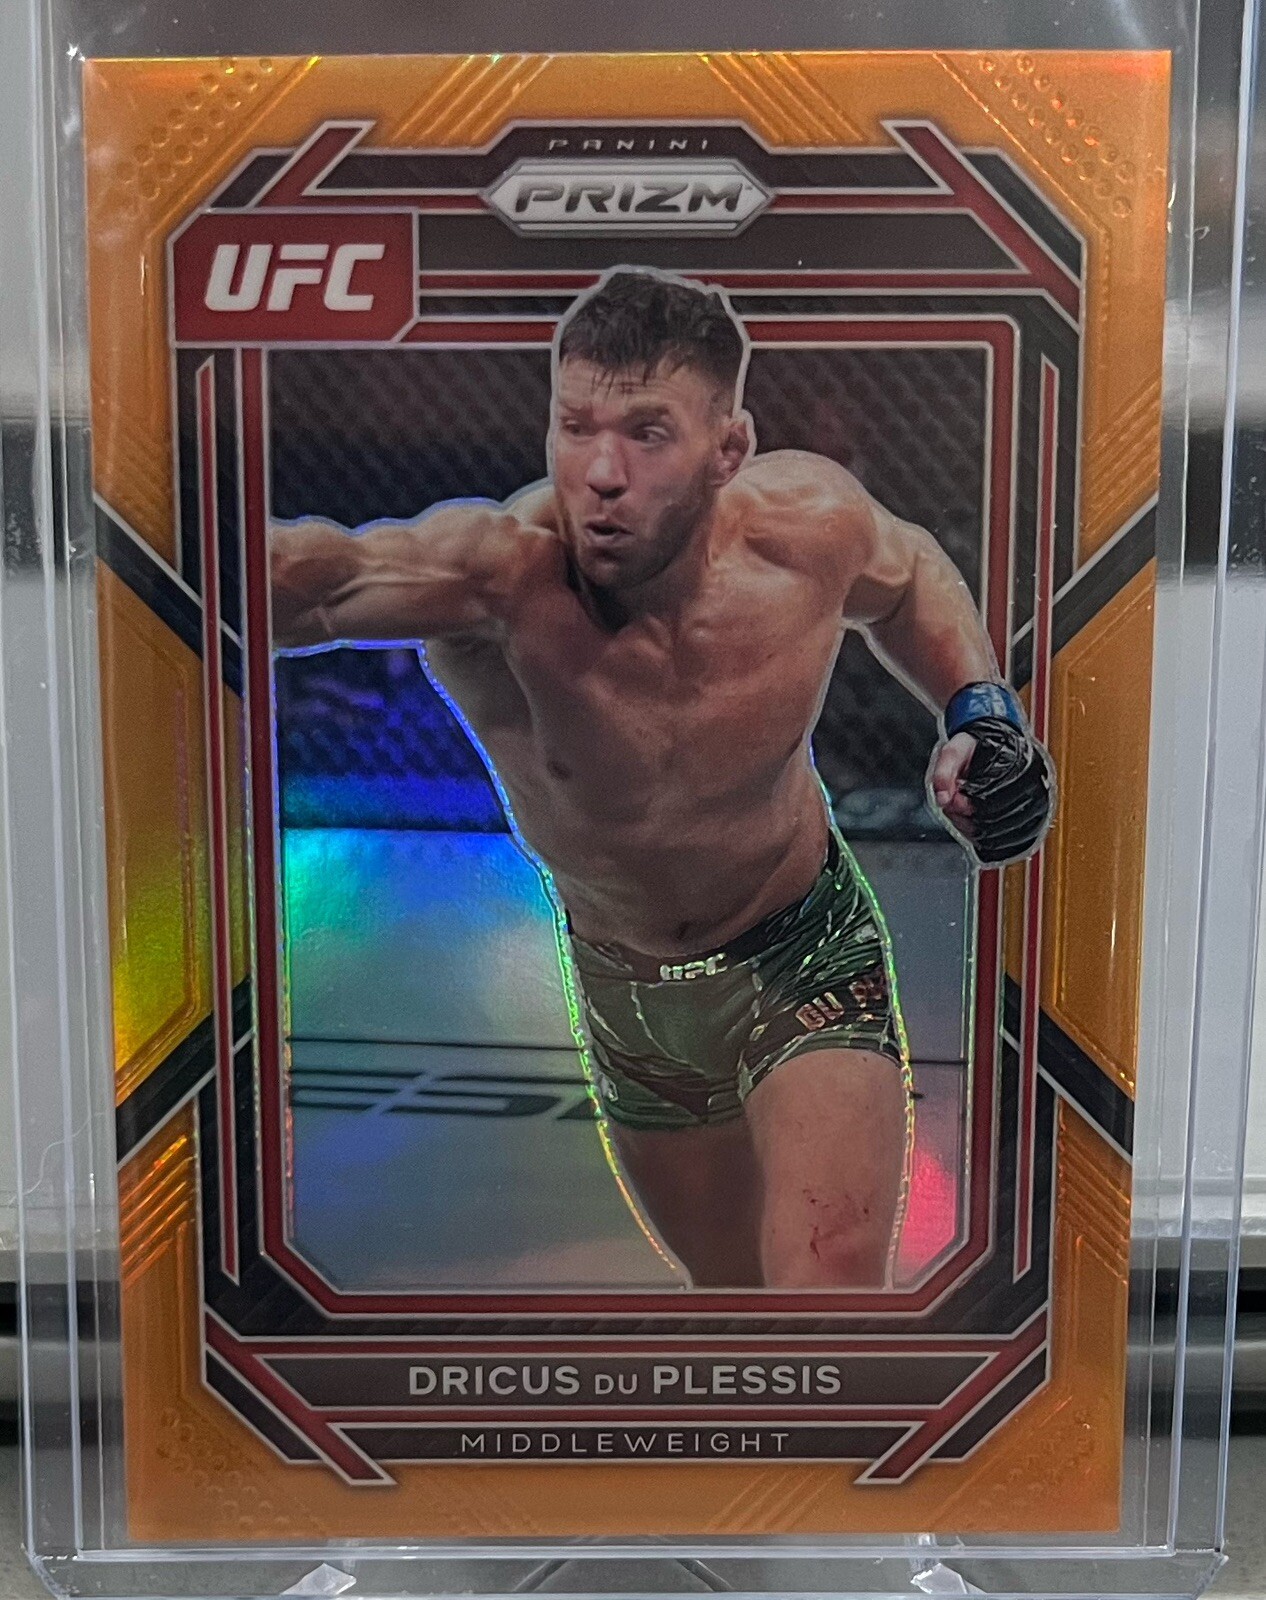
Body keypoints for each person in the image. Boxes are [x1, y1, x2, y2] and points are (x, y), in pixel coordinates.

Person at [270, 268, 1053, 1291]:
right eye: (575, 427)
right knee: (731, 1307)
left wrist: (979, 709)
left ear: (728, 449)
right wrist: (129, 537)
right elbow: (305, 580)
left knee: (826, 1293)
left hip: (805, 953)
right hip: (624, 989)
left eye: (647, 434)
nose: (602, 473)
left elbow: (907, 575)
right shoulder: (495, 576)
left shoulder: (804, 529)